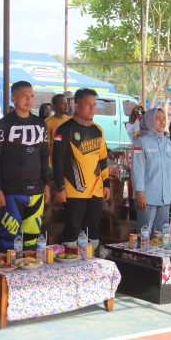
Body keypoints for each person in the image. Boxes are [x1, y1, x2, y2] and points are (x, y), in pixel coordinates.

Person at [0, 81, 51, 251]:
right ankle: (6, 276)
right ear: (13, 98)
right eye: (24, 96)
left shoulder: (40, 124)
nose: (29, 99)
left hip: (36, 191)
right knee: (8, 239)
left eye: (31, 95)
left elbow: (44, 155)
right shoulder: (1, 125)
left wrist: (47, 184)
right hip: (11, 191)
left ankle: (29, 276)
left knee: (31, 240)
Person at [53, 88, 110, 248]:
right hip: (74, 190)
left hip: (95, 189)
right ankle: (69, 268)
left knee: (92, 231)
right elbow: (57, 160)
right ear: (76, 106)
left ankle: (90, 267)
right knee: (72, 230)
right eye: (87, 104)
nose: (92, 108)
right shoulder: (64, 129)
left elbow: (103, 158)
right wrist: (60, 187)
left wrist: (106, 184)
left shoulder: (97, 129)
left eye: (94, 104)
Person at [133, 108, 171, 234]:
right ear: (148, 121)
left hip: (165, 196)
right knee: (144, 234)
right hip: (146, 197)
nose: (162, 121)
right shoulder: (140, 143)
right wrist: (140, 193)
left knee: (162, 234)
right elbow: (137, 169)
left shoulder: (169, 143)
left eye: (163, 118)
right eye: (157, 118)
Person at [45, 94, 70, 166]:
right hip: (56, 163)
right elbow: (47, 147)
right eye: (63, 103)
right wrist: (49, 166)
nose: (66, 105)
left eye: (67, 103)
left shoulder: (71, 120)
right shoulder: (48, 122)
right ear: (55, 106)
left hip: (69, 162)